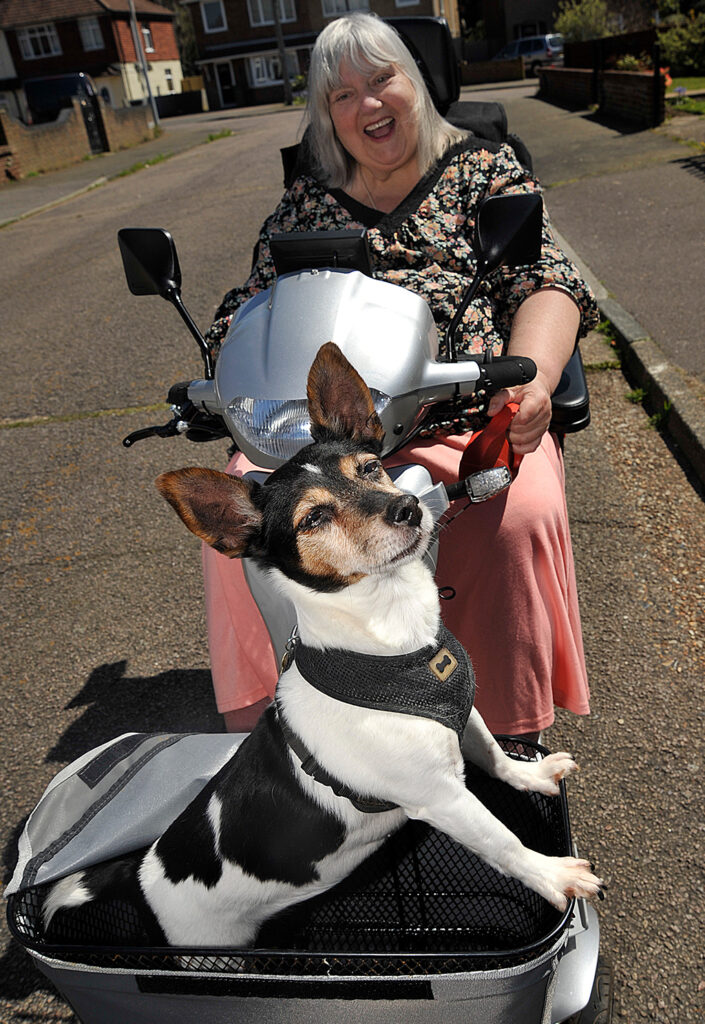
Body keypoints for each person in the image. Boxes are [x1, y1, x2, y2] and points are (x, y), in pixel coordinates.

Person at [201, 12, 599, 740]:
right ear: (326, 115)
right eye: (341, 95)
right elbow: (255, 302)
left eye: (380, 78)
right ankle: (273, 719)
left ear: (412, 81)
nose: (367, 105)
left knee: (519, 518)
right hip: (323, 435)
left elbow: (545, 280)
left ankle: (505, 723)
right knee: (239, 535)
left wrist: (532, 379)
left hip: (466, 410)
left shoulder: (485, 171)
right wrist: (220, 368)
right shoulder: (306, 198)